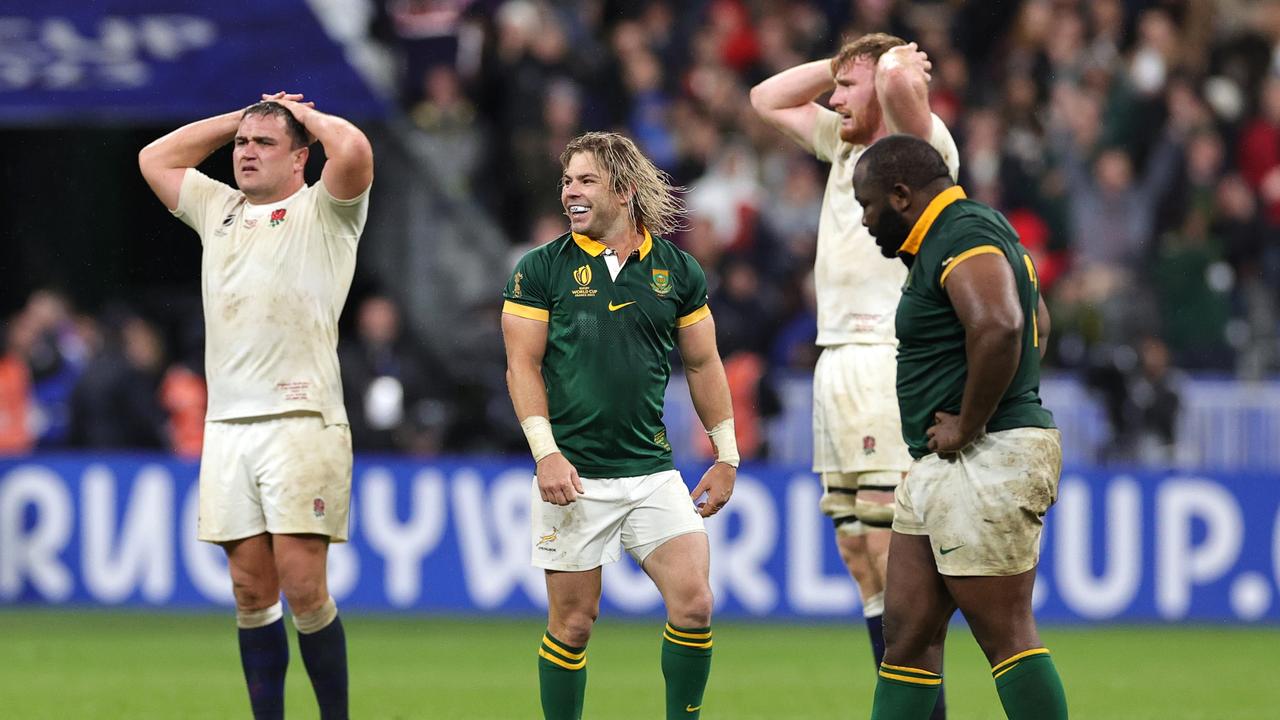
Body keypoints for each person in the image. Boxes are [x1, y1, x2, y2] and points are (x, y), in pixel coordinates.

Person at [138, 92, 373, 720]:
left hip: (301, 421)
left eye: (264, 144)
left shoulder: (325, 210)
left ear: (300, 158)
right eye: (243, 144)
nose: (246, 152)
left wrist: (307, 116)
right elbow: (153, 158)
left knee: (303, 585)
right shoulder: (218, 207)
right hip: (228, 426)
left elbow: (352, 149)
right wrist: (244, 117)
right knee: (249, 590)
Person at [750, 33, 957, 717]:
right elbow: (764, 97)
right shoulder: (840, 144)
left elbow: (900, 85)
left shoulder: (919, 151)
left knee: (893, 557)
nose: (831, 99)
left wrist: (892, 63)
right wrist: (845, 68)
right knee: (858, 555)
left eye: (845, 87)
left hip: (882, 360)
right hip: (834, 360)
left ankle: (923, 709)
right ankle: (909, 704)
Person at [502, 131, 737, 720]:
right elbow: (521, 366)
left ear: (624, 190)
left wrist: (727, 454)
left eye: (586, 181)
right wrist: (545, 454)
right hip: (575, 475)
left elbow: (704, 362)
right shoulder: (541, 269)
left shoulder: (678, 270)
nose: (570, 193)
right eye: (566, 181)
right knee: (574, 625)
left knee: (695, 604)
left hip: (652, 471)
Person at [851, 134, 1066, 720]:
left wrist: (973, 422)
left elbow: (1001, 324)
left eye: (867, 205)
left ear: (900, 195)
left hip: (984, 454)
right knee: (909, 640)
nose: (864, 221)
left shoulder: (961, 232)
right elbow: (1038, 318)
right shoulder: (971, 230)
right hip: (945, 464)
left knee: (1006, 636)